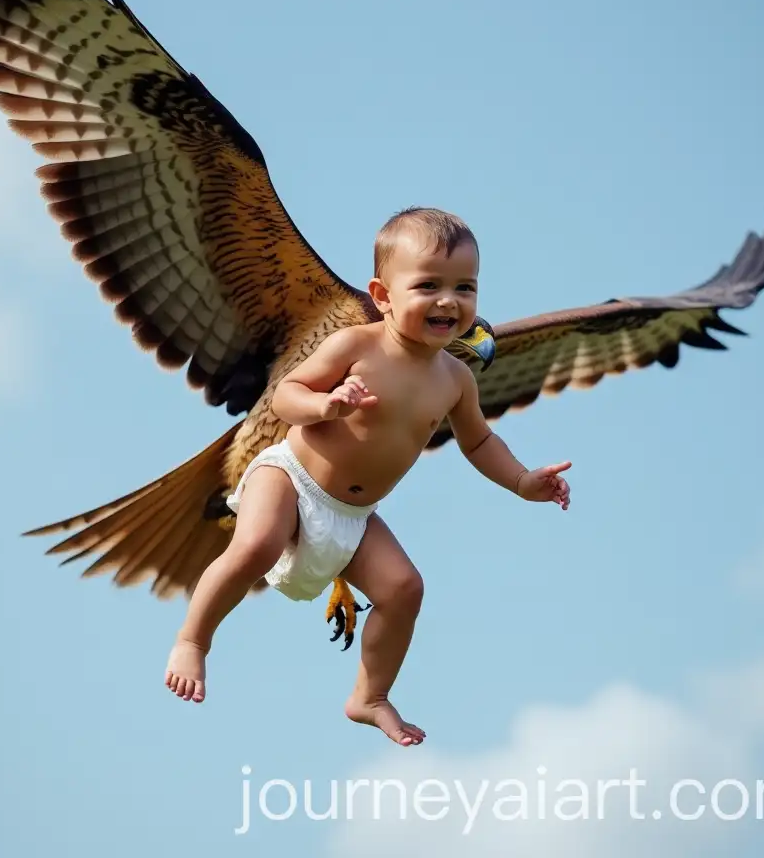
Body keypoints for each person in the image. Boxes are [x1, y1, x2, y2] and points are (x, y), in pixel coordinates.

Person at [165, 207, 572, 745]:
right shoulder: (355, 345)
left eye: (464, 288)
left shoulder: (455, 379)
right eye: (428, 285)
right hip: (290, 474)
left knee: (405, 588)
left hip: (352, 517)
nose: (449, 301)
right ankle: (193, 640)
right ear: (382, 295)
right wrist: (324, 407)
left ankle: (370, 696)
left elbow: (479, 442)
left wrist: (523, 482)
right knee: (258, 544)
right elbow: (288, 393)